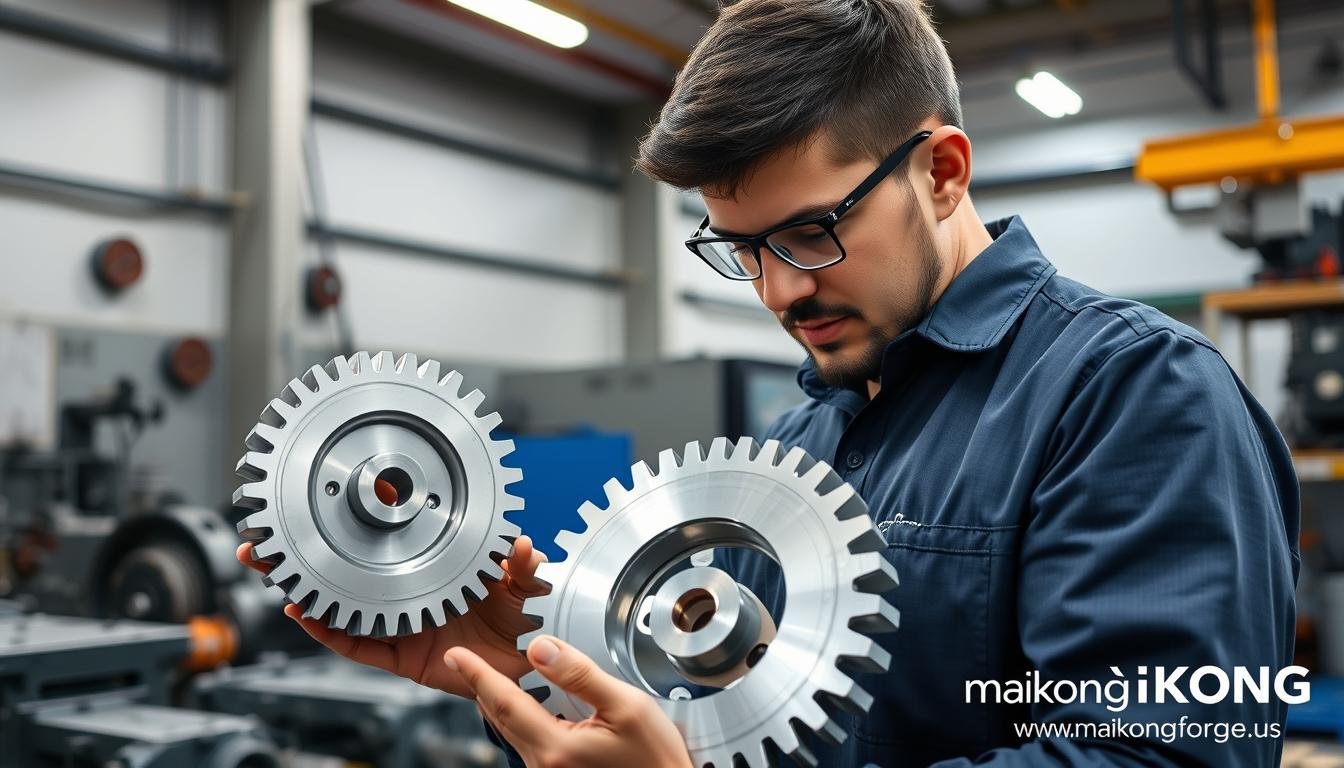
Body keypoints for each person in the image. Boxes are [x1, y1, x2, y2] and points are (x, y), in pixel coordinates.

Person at [240, 0, 1301, 765]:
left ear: (942, 172)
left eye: (812, 231)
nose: (780, 288)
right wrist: (538, 666)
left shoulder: (1135, 396)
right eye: (742, 248)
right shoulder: (795, 449)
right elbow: (726, 730)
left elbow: (1163, 762)